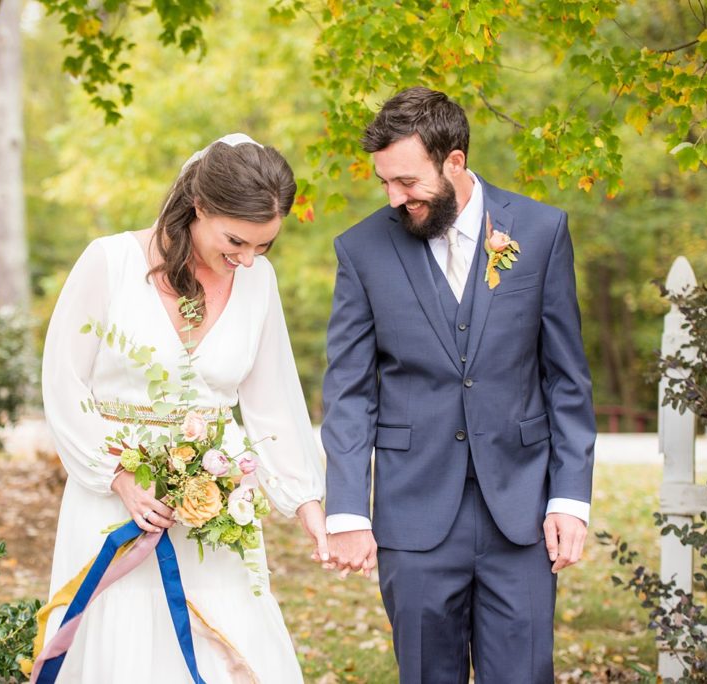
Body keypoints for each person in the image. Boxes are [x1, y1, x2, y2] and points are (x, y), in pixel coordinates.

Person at [320, 88, 596, 683]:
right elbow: (349, 390)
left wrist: (570, 499)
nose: (395, 198)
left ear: (455, 161)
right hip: (412, 514)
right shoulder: (361, 250)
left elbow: (566, 378)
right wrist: (346, 510)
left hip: (521, 516)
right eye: (385, 182)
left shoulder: (543, 232)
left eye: (408, 181)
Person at [40, 133, 328, 682]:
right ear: (199, 206)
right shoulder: (109, 262)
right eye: (237, 241)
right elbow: (64, 382)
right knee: (122, 640)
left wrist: (307, 504)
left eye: (264, 246)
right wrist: (120, 476)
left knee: (228, 641)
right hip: (113, 502)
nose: (248, 260)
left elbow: (272, 403)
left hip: (214, 506)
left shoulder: (257, 282)